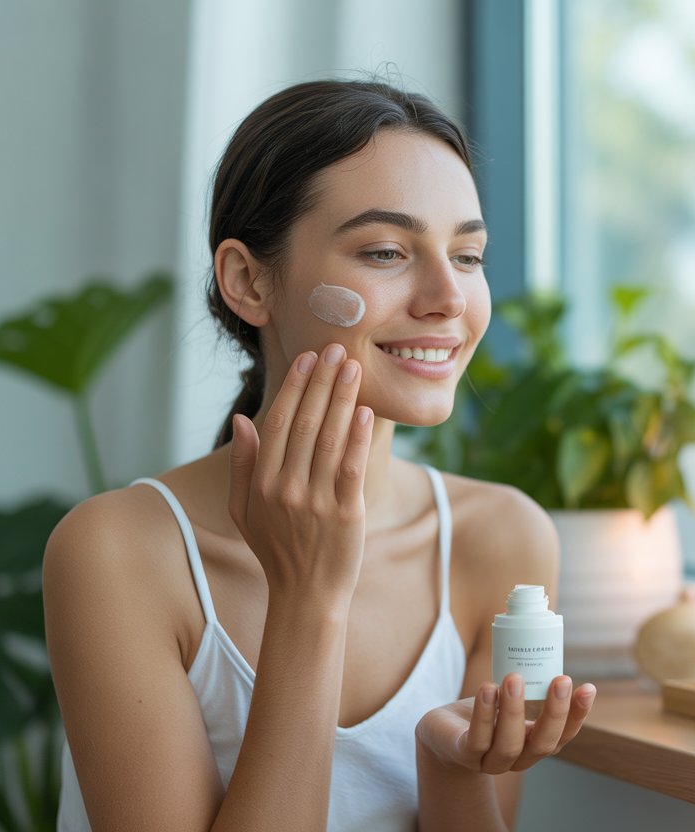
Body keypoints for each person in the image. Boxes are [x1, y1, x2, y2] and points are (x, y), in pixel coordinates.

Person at [43, 80, 597, 832]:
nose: (447, 298)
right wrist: (308, 598)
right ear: (248, 280)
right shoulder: (118, 552)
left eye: (467, 255)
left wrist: (450, 765)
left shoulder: (501, 538)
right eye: (385, 251)